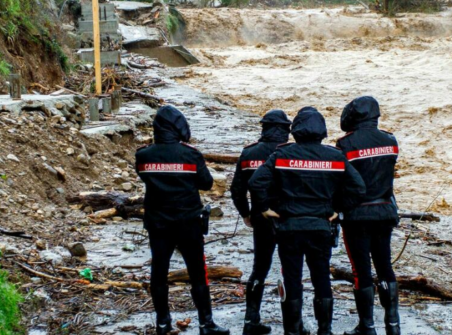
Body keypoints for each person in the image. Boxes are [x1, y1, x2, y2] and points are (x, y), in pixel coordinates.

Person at [249, 107, 366, 335]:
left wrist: (264, 208)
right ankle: (325, 330)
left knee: (292, 278)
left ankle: (293, 331)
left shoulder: (282, 155)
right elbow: (358, 188)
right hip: (320, 227)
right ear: (322, 131)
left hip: (289, 227)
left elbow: (255, 183)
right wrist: (339, 209)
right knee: (321, 277)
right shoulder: (334, 156)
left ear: (296, 130)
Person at [135, 105, 230, 335]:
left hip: (158, 224)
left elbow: (143, 176)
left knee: (159, 272)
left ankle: (163, 323)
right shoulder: (191, 154)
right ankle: (206, 323)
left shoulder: (143, 155)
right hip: (188, 223)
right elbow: (206, 183)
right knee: (198, 272)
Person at [336, 97, 401, 335]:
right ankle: (393, 325)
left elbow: (343, 183)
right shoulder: (391, 141)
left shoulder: (345, 145)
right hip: (385, 210)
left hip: (357, 216)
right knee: (385, 266)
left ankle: (367, 325)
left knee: (361, 270)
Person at [230, 110, 292, 335]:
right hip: (288, 217)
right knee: (290, 270)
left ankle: (251, 320)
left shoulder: (249, 153)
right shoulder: (292, 153)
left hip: (260, 218)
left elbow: (237, 190)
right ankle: (293, 324)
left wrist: (245, 213)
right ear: (286, 129)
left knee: (259, 269)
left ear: (263, 128)